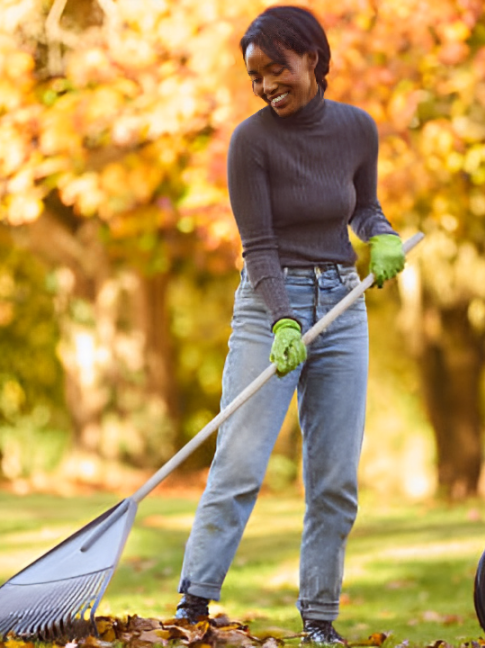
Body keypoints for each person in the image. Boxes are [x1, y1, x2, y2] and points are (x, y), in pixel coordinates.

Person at [173, 5, 407, 646]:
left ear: (313, 59)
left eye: (277, 68)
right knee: (241, 461)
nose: (266, 84)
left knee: (335, 477)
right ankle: (193, 606)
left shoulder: (358, 130)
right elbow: (260, 246)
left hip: (342, 304)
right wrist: (281, 321)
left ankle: (319, 621)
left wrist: (381, 236)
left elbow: (363, 209)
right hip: (268, 305)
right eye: (255, 76)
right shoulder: (252, 143)